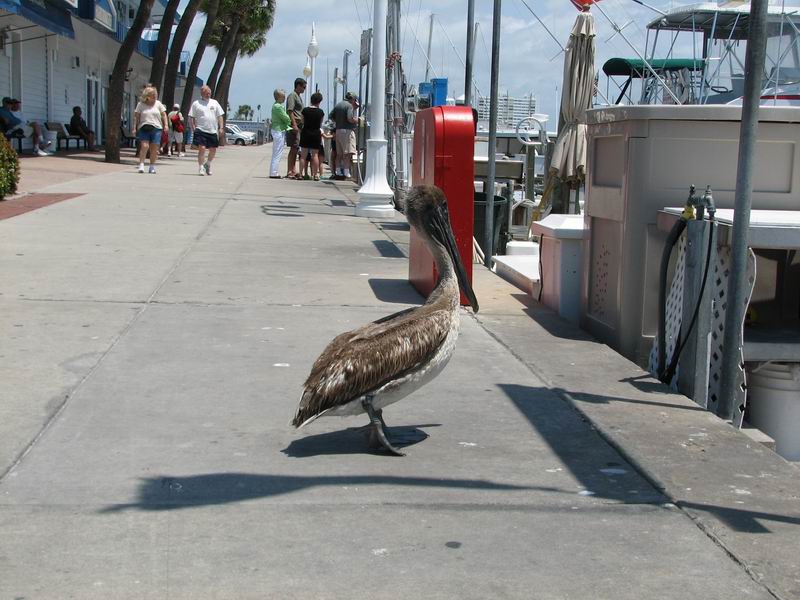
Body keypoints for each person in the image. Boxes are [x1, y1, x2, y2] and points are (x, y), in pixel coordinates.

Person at [189, 85, 225, 176]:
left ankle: (207, 164)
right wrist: (193, 128)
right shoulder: (196, 103)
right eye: (206, 93)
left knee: (213, 150)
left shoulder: (215, 103)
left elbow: (220, 116)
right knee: (202, 148)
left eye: (209, 93)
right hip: (200, 129)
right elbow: (191, 117)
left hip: (212, 130)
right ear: (202, 93)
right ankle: (201, 167)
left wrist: (221, 127)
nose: (208, 95)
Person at [134, 85, 168, 174]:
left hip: (156, 128)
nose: (155, 97)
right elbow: (136, 117)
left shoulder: (158, 104)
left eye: (155, 95)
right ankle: (141, 164)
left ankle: (152, 166)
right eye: (153, 95)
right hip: (144, 127)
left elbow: (164, 115)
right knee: (145, 146)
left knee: (154, 148)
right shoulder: (141, 104)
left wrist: (166, 125)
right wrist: (134, 128)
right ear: (147, 96)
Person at [332, 91, 359, 180]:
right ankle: (346, 173)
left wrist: (339, 121)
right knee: (348, 153)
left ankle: (338, 171)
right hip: (347, 131)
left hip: (338, 130)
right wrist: (357, 120)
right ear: (353, 99)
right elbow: (350, 118)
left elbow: (331, 116)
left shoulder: (338, 105)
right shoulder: (349, 106)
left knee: (339, 153)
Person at [299, 92, 324, 181]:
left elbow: (302, 121)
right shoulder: (321, 112)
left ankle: (301, 174)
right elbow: (320, 123)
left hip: (305, 133)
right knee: (315, 155)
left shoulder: (305, 110)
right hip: (316, 134)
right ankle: (315, 174)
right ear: (319, 101)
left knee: (303, 155)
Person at [285, 77, 306, 179]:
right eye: (303, 87)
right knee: (293, 148)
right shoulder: (292, 96)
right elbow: (290, 111)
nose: (304, 89)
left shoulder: (298, 96)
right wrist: (294, 124)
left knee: (296, 147)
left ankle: (293, 169)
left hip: (299, 125)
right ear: (298, 86)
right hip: (294, 125)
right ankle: (290, 170)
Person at [269, 88, 291, 179]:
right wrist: (289, 120)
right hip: (278, 130)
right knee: (277, 152)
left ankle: (273, 171)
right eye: (283, 97)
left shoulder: (275, 106)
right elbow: (286, 118)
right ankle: (274, 172)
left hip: (277, 130)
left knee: (276, 152)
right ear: (278, 97)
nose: (284, 98)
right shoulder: (278, 107)